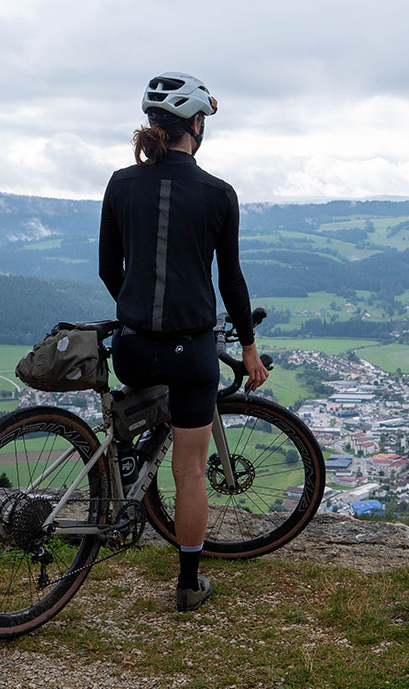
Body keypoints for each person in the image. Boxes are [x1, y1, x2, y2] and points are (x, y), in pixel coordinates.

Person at [98, 72, 268, 611]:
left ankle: (126, 471)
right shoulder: (219, 193)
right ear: (196, 124)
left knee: (143, 414)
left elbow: (109, 269)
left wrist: (134, 308)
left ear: (154, 126)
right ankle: (189, 584)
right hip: (192, 352)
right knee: (191, 471)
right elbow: (231, 281)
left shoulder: (121, 184)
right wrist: (247, 344)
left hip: (131, 346)